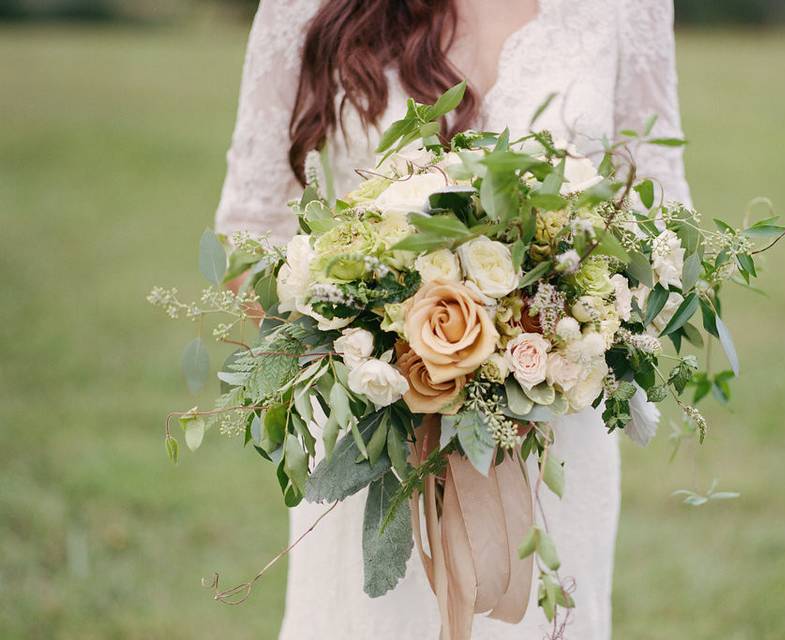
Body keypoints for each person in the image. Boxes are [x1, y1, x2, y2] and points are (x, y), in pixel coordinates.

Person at [214, 1, 691, 637]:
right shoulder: (304, 8)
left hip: (556, 436)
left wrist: (551, 328)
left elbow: (661, 231)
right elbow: (250, 240)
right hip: (375, 438)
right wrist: (380, 342)